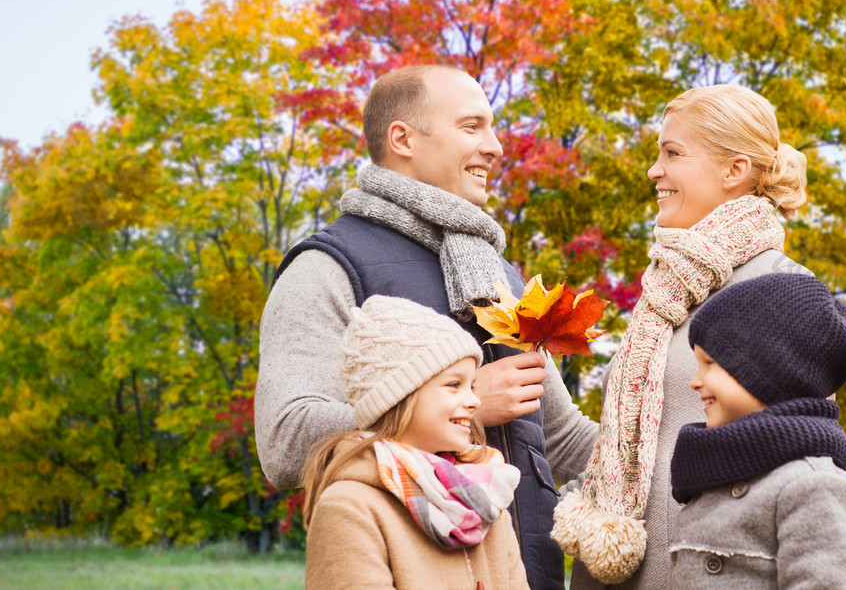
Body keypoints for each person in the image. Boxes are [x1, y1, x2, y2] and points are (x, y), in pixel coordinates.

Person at [255, 64, 597, 589]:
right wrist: (464, 403)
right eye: (472, 126)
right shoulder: (325, 268)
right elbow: (284, 441)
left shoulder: (499, 275)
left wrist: (699, 453)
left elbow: (564, 440)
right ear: (402, 139)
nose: (496, 146)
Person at [552, 84, 813, 588]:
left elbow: (801, 469)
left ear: (734, 171)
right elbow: (635, 454)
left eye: (672, 153)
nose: (655, 171)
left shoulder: (782, 289)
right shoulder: (670, 290)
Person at [667, 272, 846, 587]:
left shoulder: (813, 485)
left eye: (710, 362)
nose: (695, 380)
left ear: (770, 367)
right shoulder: (715, 474)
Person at [303, 295, 530, 589]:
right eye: (454, 385)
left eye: (471, 386)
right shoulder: (349, 508)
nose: (474, 401)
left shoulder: (484, 496)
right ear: (400, 396)